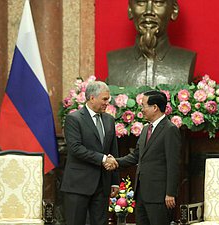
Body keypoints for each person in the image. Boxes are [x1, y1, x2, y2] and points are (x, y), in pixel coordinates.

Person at [107, 90, 181, 225]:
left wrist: (170, 193)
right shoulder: (146, 129)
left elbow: (173, 163)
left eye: (144, 105)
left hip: (159, 195)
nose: (142, 109)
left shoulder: (170, 129)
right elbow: (135, 156)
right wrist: (114, 161)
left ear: (155, 108)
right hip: (142, 193)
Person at [60, 81, 119, 225]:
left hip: (102, 185)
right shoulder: (74, 119)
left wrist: (115, 182)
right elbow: (75, 148)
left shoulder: (109, 120)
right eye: (104, 99)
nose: (107, 102)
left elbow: (113, 151)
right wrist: (103, 158)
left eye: (108, 99)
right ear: (92, 98)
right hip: (78, 184)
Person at [107, 0, 196, 87]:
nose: (148, 11)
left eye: (158, 2)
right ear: (130, 9)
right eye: (141, 2)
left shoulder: (186, 59)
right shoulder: (115, 60)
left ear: (174, 10)